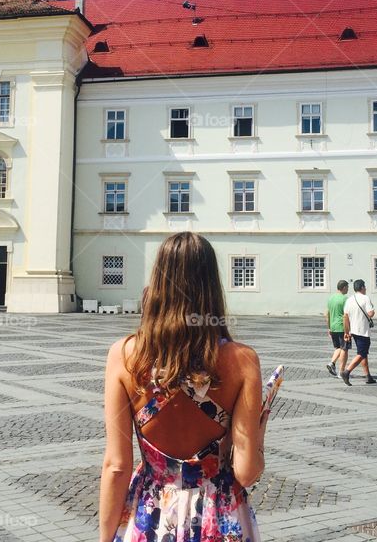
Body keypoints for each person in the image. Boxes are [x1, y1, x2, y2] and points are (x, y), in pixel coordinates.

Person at [99, 232, 263, 542]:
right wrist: (260, 433)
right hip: (220, 514)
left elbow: (116, 466)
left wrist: (105, 538)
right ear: (211, 285)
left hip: (152, 514)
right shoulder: (242, 360)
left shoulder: (124, 355)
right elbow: (247, 472)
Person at [341, 279, 376, 385]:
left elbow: (345, 317)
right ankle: (346, 372)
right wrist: (372, 310)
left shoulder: (349, 299)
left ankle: (368, 376)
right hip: (363, 331)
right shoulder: (365, 298)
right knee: (362, 353)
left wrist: (346, 332)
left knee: (363, 353)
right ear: (361, 288)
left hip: (353, 330)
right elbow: (370, 314)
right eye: (364, 286)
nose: (365, 288)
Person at [325, 280, 349, 377]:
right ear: (343, 287)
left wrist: (329, 327)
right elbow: (346, 315)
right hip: (341, 326)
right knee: (344, 349)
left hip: (333, 326)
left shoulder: (331, 298)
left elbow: (326, 314)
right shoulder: (345, 299)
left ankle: (332, 363)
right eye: (347, 287)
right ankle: (341, 372)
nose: (348, 289)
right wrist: (348, 330)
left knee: (338, 348)